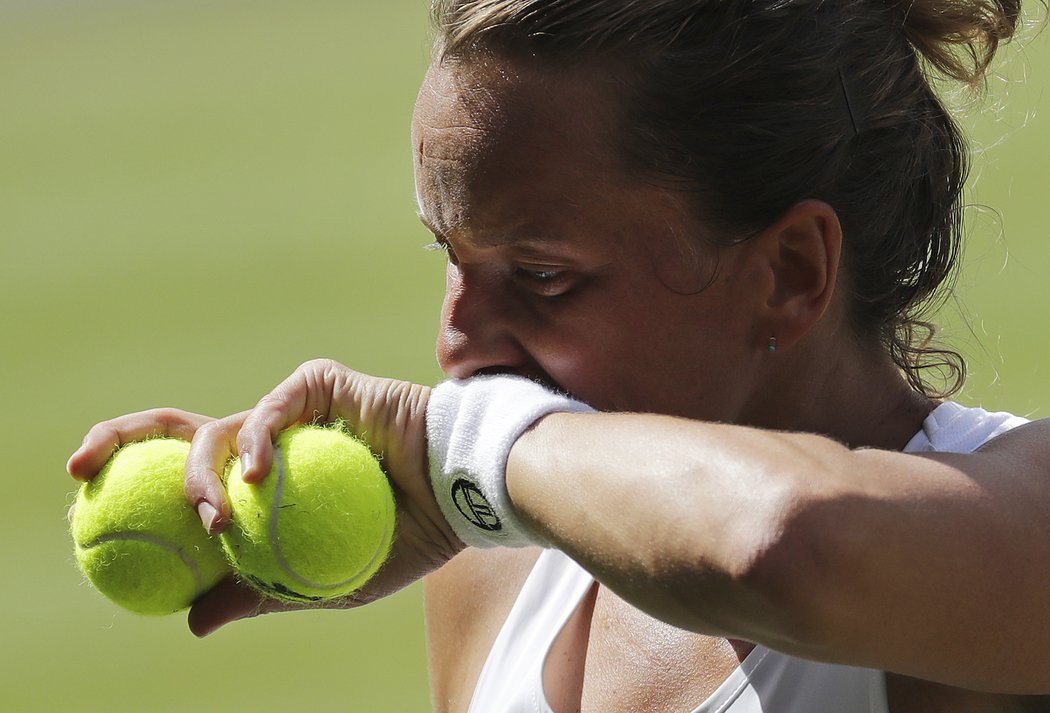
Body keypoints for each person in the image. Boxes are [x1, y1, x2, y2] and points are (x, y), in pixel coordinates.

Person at [67, 0, 1050, 710]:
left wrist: (462, 449)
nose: (456, 345)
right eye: (448, 255)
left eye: (542, 275)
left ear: (790, 269)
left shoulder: (1017, 513)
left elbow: (781, 547)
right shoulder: (495, 561)